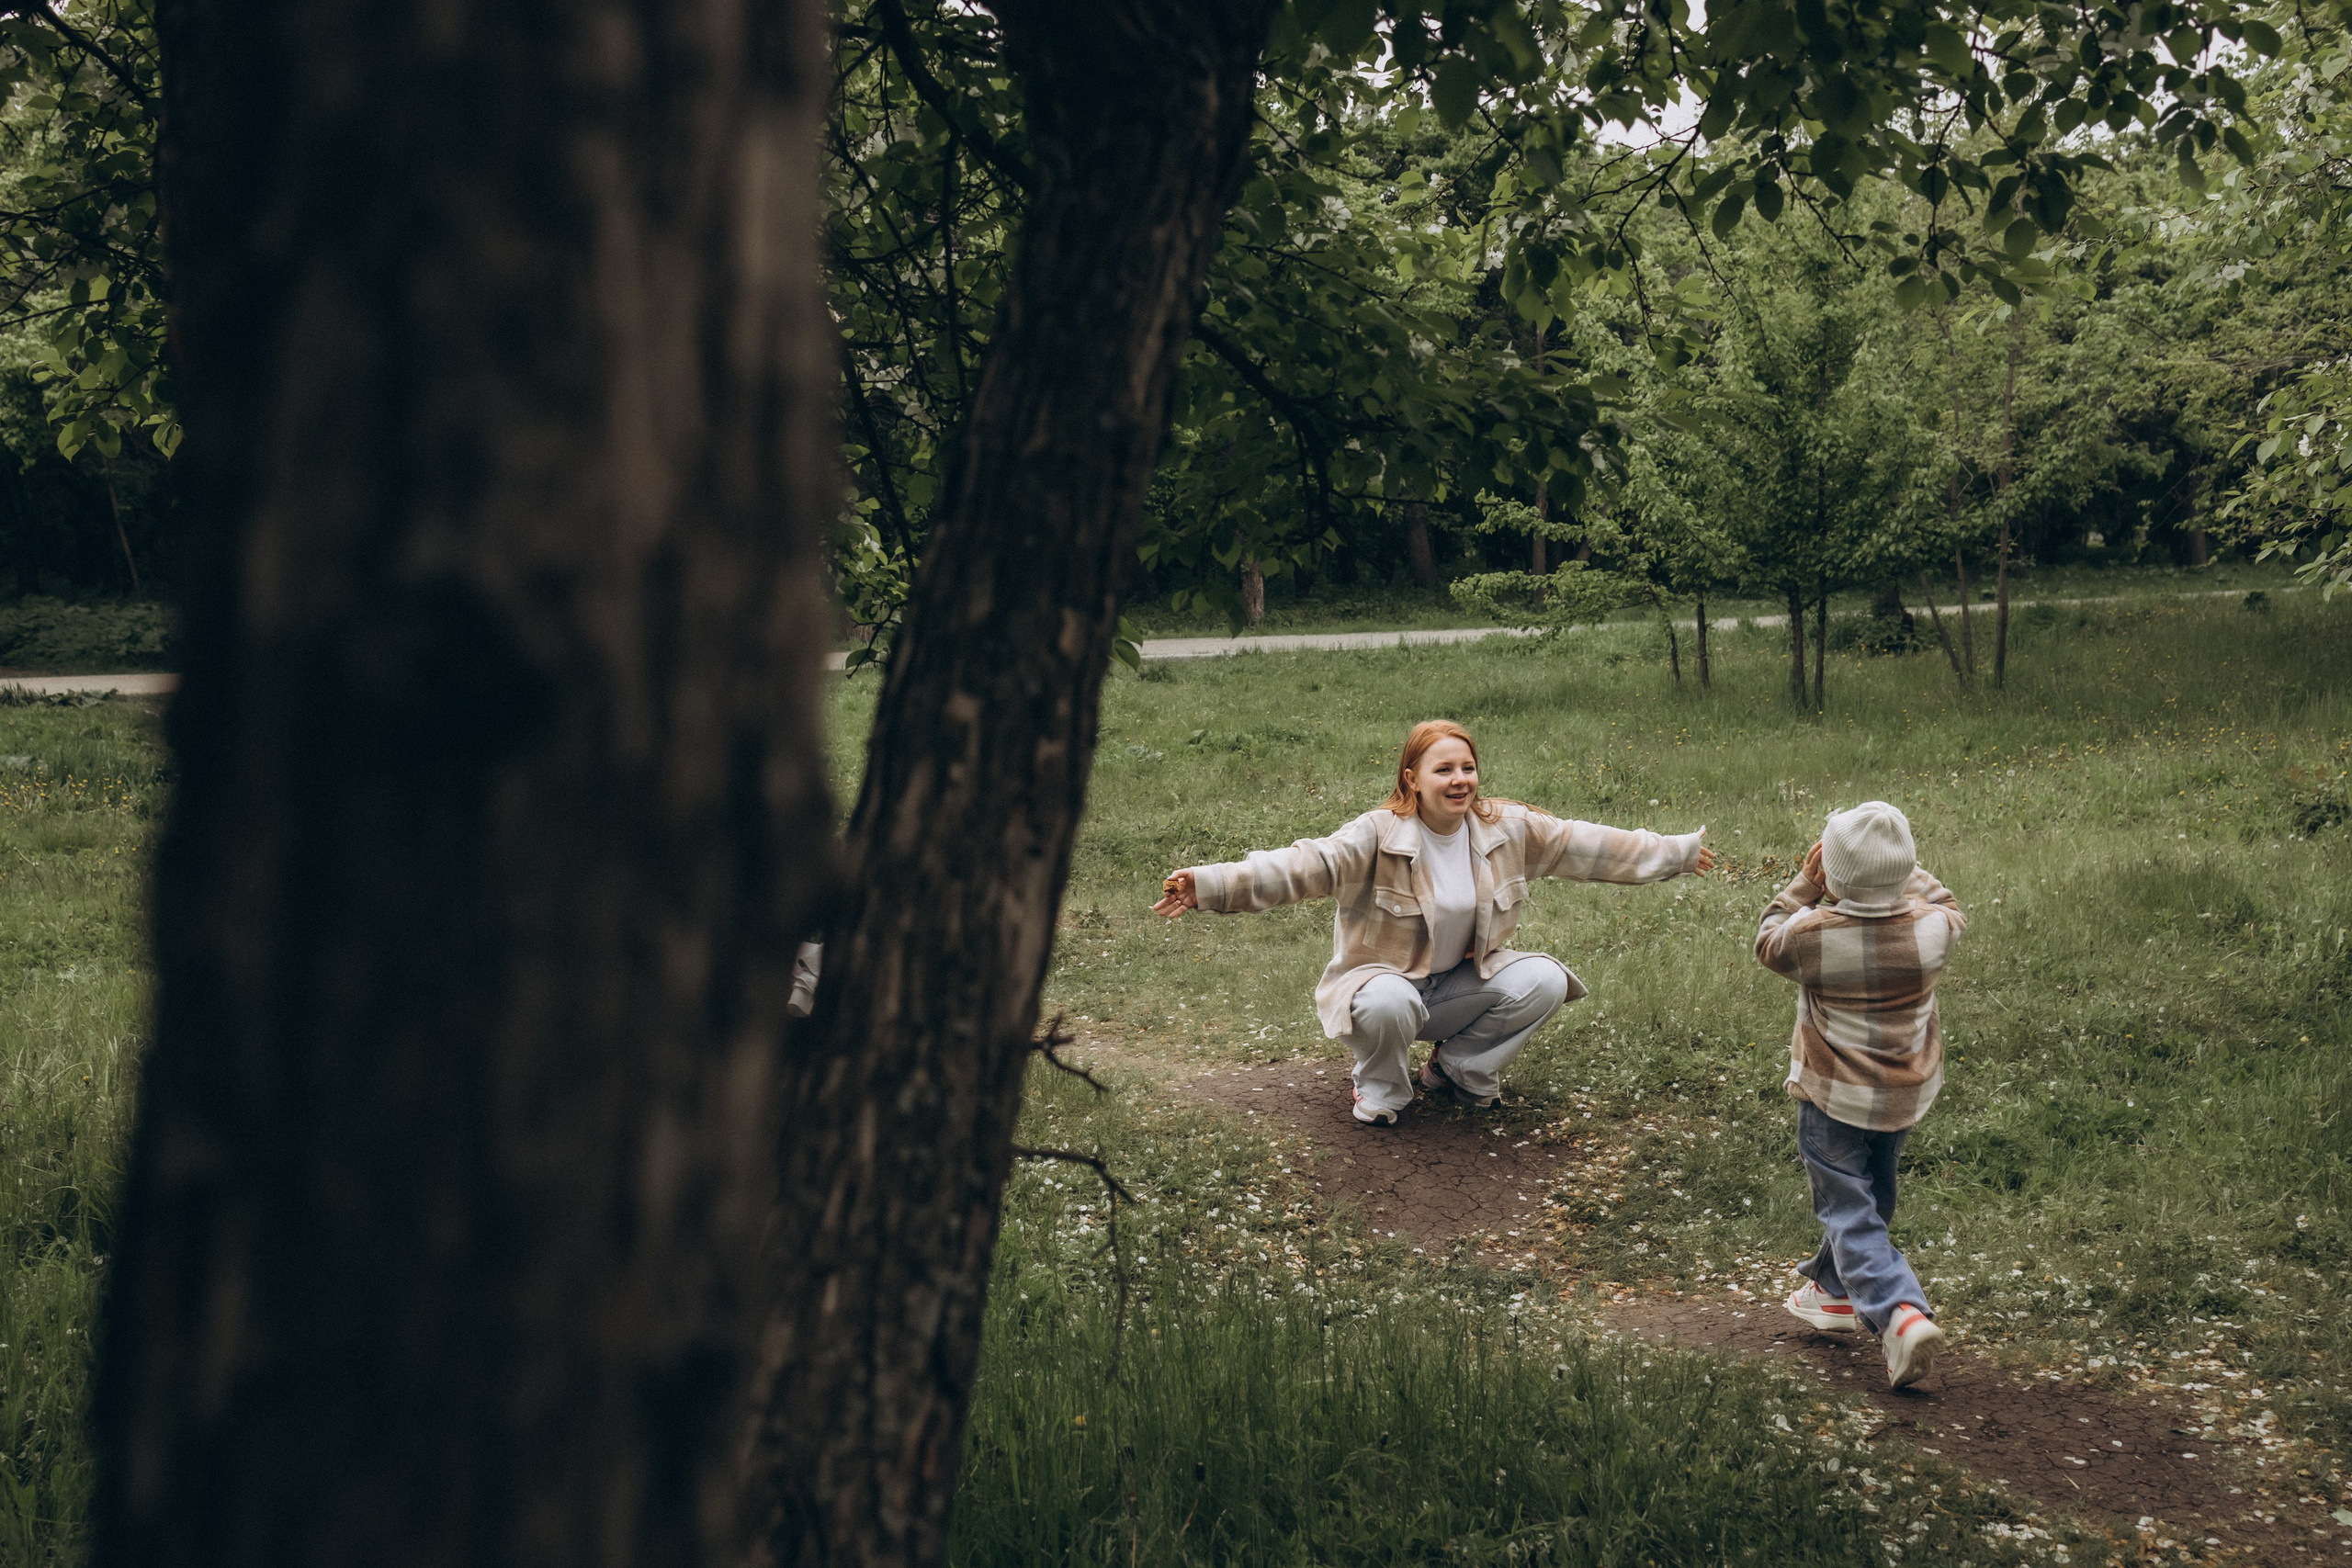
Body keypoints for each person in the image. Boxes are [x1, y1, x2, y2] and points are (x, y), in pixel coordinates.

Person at [1153, 719, 1714, 1124]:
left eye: (1467, 768)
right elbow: (1305, 865)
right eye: (1443, 769)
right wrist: (1209, 884)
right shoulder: (1377, 834)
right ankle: (1381, 1087)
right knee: (1390, 1000)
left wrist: (1677, 853)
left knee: (1543, 979)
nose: (1459, 780)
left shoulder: (1504, 829)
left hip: (1455, 986)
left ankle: (1457, 1070)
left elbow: (1586, 845)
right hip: (1382, 987)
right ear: (1412, 778)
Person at [1754, 800, 1966, 1389]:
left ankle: (1900, 1312)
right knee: (1868, 1196)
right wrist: (1899, 871)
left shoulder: (1814, 936)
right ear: (1908, 870)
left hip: (1834, 1100)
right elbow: (1945, 900)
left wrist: (1806, 880)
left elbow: (1768, 937)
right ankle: (1831, 1291)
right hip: (1903, 1096)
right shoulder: (1935, 930)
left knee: (1847, 1209)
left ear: (1833, 875)